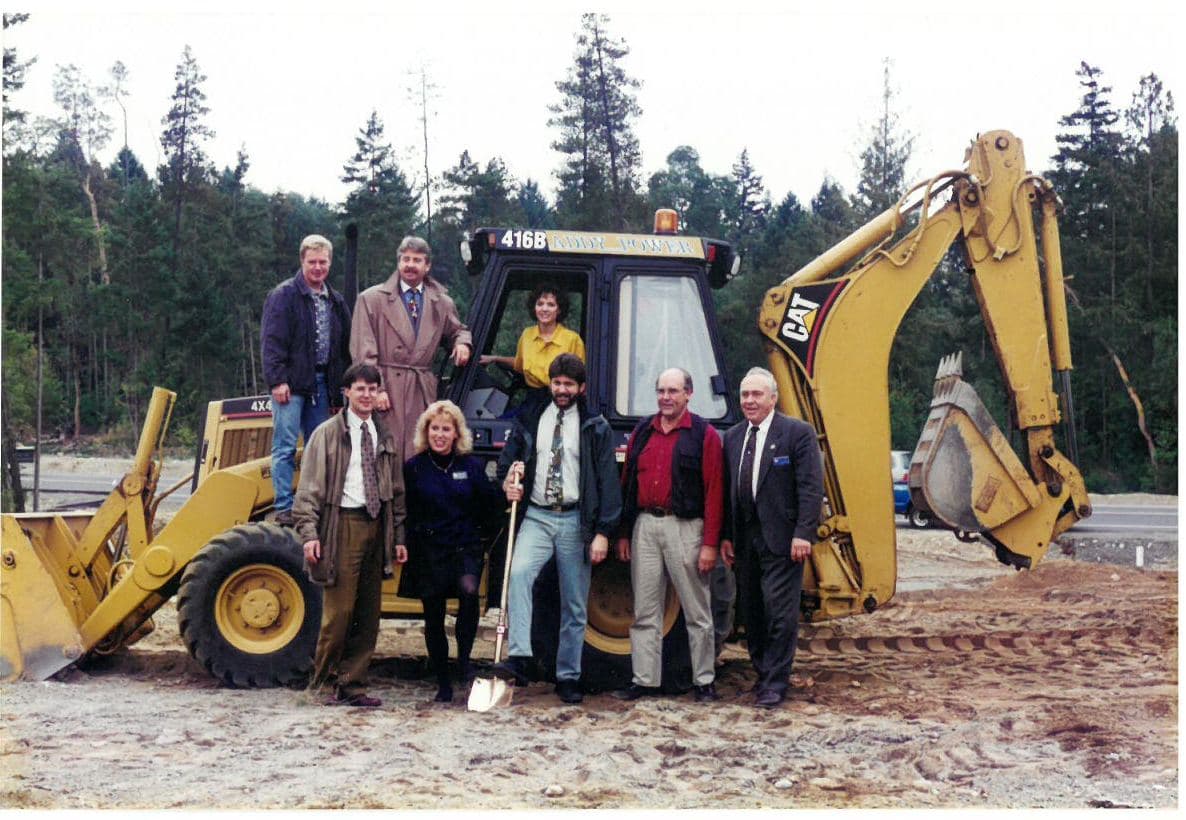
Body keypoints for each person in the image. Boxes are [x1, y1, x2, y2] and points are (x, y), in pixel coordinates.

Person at [492, 353, 621, 704]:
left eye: (568, 384)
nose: (561, 390)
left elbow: (608, 482)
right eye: (557, 383)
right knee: (518, 575)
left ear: (581, 387)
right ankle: (519, 657)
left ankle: (568, 676)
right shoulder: (532, 416)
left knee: (575, 603)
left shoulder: (595, 426)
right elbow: (510, 461)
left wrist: (603, 533)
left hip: (575, 521)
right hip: (537, 515)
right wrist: (509, 483)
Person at [293, 363, 407, 707]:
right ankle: (321, 684)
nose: (367, 395)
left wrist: (398, 537)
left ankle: (353, 685)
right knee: (339, 613)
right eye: (360, 389)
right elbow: (308, 490)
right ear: (347, 392)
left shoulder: (384, 434)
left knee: (368, 614)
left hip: (377, 527)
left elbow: (397, 491)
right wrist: (310, 534)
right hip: (342, 525)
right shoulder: (328, 434)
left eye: (373, 389)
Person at [613, 368, 724, 703]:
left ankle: (703, 680)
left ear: (688, 394)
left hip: (686, 528)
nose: (666, 397)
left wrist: (709, 544)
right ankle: (644, 680)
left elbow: (715, 492)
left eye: (673, 391)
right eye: (661, 391)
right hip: (645, 526)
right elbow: (627, 484)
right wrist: (623, 533)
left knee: (697, 610)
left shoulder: (704, 434)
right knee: (645, 610)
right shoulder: (643, 431)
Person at [720, 366, 823, 709]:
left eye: (756, 395)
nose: (749, 401)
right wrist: (726, 537)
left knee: (779, 611)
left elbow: (810, 488)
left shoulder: (797, 433)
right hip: (745, 539)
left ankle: (775, 683)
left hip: (783, 540)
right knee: (752, 610)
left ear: (773, 398)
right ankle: (763, 673)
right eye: (745, 395)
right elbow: (727, 491)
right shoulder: (733, 437)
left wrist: (803, 534)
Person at [403, 400, 503, 703]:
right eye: (435, 428)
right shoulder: (414, 468)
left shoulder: (471, 467)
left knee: (469, 591)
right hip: (429, 549)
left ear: (457, 433)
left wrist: (507, 491)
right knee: (433, 613)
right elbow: (406, 510)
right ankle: (443, 681)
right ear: (426, 431)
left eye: (447, 429)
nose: (440, 434)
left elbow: (490, 503)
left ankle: (464, 662)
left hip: (464, 546)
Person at [350, 236, 472, 460]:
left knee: (419, 455)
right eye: (405, 259)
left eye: (417, 260)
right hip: (387, 390)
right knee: (385, 454)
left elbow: (457, 330)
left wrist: (462, 342)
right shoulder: (371, 299)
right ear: (398, 263)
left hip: (421, 390)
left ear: (427, 266)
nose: (410, 265)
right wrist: (376, 389)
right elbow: (363, 350)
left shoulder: (442, 302)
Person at [261, 234, 352, 526]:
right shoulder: (284, 295)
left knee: (319, 447)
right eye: (312, 262)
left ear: (330, 263)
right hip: (291, 383)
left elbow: (343, 350)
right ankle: (285, 507)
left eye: (322, 262)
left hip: (322, 384)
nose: (317, 267)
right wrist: (277, 381)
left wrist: (339, 394)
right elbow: (272, 342)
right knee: (285, 446)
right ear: (302, 261)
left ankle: (313, 504)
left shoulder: (336, 301)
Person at [480, 283, 585, 411]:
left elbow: (581, 381)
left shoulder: (572, 339)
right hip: (532, 401)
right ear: (534, 308)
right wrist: (495, 358)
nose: (544, 309)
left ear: (559, 310)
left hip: (560, 404)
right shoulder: (527, 335)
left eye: (551, 305)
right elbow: (519, 365)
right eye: (540, 304)